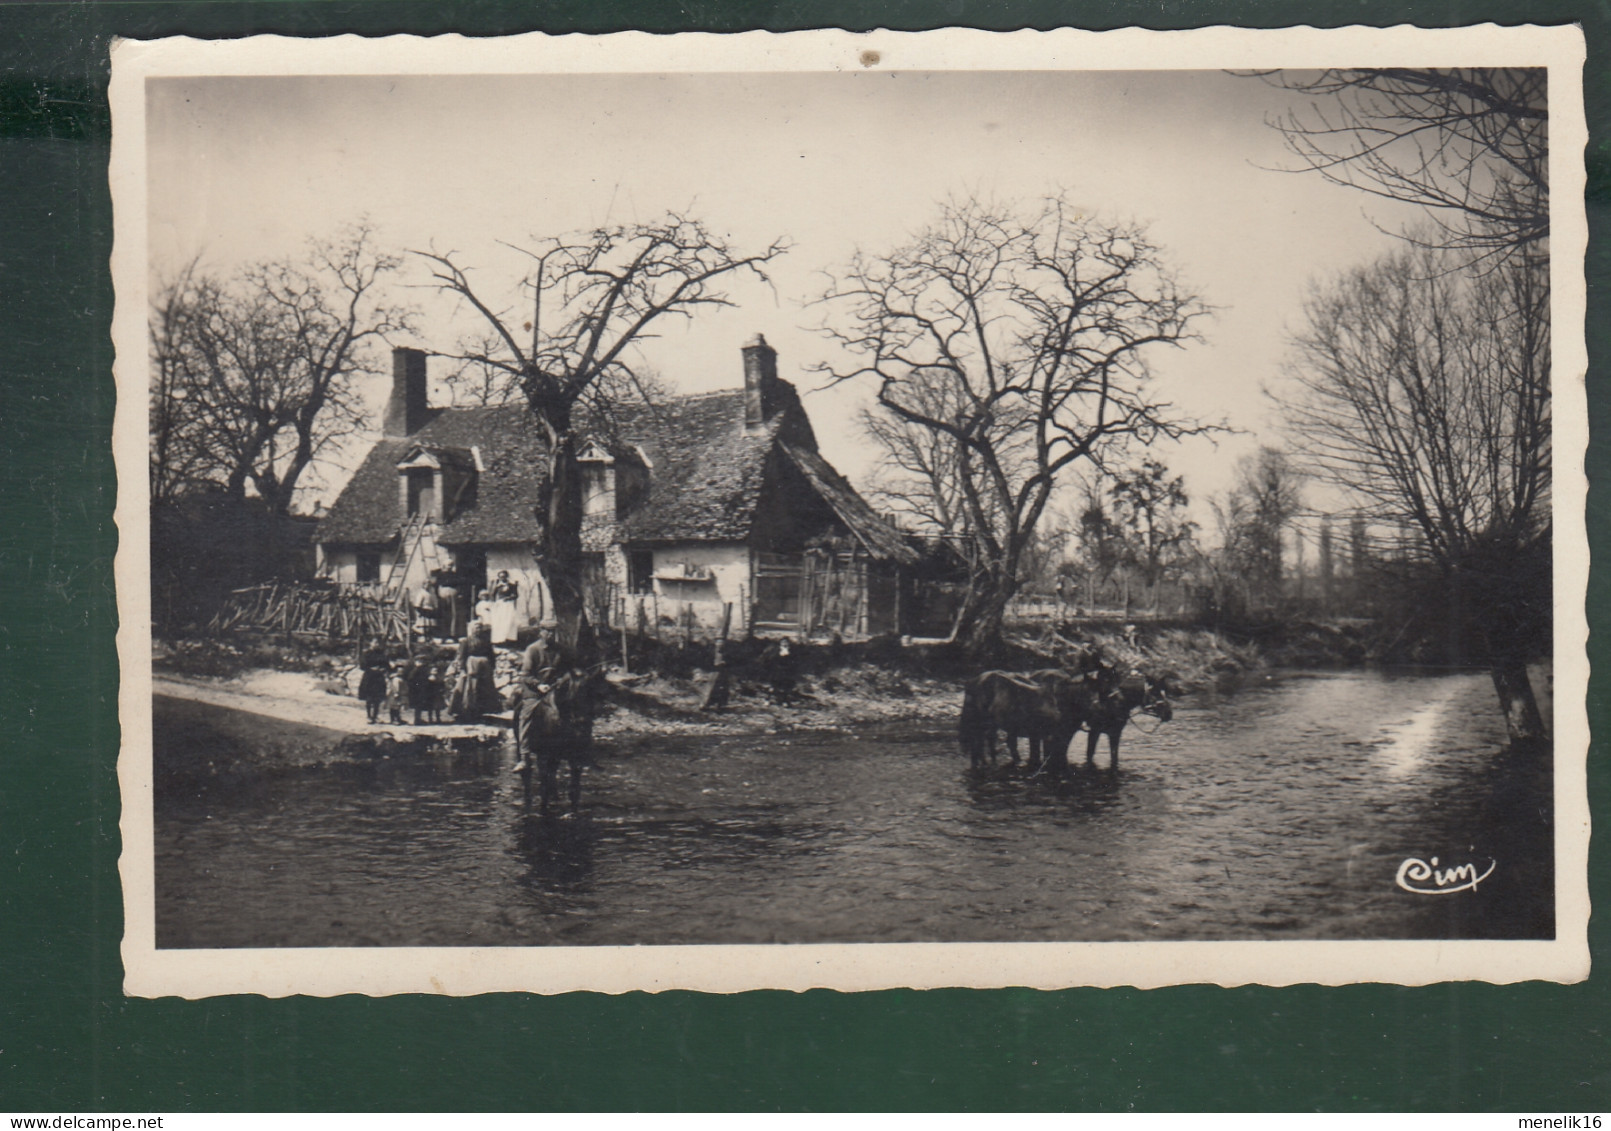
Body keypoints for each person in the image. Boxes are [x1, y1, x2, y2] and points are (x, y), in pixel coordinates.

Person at [514, 628, 563, 773]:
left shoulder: (559, 649)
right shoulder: (533, 649)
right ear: (541, 633)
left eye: (553, 631)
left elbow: (566, 668)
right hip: (534, 691)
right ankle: (525, 757)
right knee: (527, 716)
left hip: (554, 688)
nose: (551, 635)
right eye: (548, 632)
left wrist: (561, 679)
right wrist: (539, 685)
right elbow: (525, 675)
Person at [488, 570, 520, 645]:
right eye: (501, 577)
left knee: (508, 621)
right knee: (499, 622)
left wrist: (509, 598)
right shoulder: (498, 586)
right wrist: (494, 603)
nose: (502, 578)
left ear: (507, 576)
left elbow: (516, 595)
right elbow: (492, 595)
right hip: (500, 605)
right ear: (499, 577)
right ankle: (499, 639)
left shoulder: (511, 585)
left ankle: (509, 639)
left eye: (504, 576)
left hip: (508, 605)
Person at [357, 647, 388, 724]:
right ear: (371, 644)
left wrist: (382, 669)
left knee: (377, 698)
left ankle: (375, 716)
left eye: (378, 643)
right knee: (369, 698)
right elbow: (362, 665)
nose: (376, 644)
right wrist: (371, 669)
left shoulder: (381, 654)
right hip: (369, 677)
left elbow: (386, 664)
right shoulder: (367, 654)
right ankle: (369, 716)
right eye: (375, 642)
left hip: (379, 677)